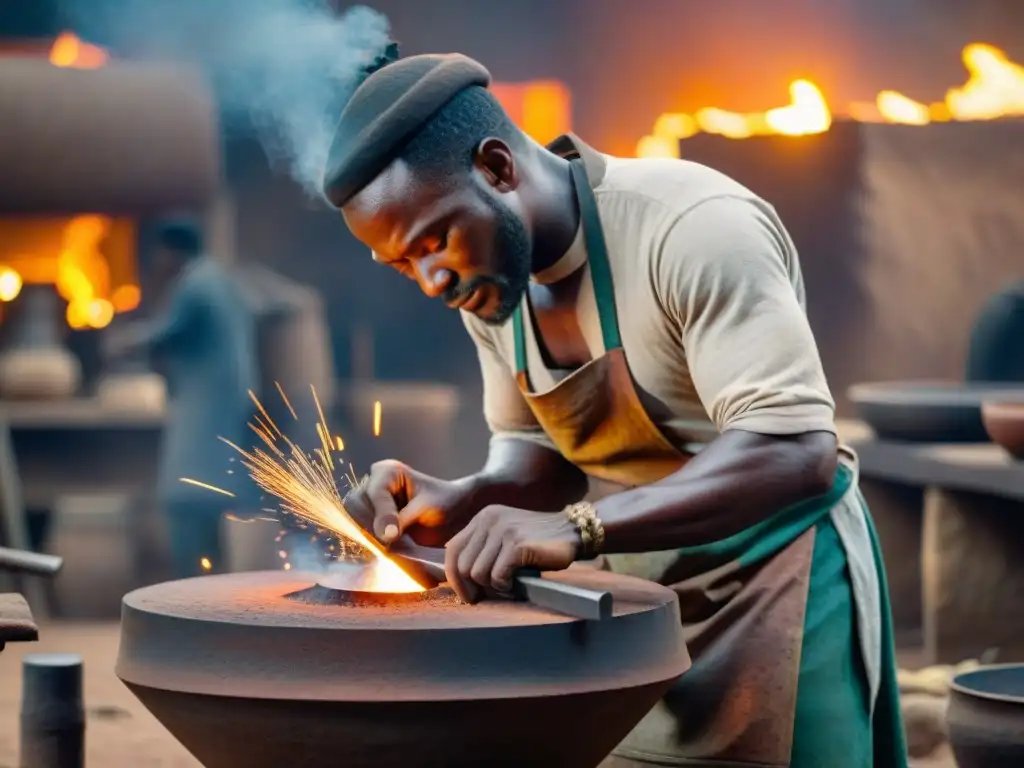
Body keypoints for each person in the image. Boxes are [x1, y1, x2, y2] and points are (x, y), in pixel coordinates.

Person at [326, 48, 908, 768]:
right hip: (641, 595)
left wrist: (579, 528)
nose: (431, 280)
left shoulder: (692, 226)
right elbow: (537, 460)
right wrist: (462, 498)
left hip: (780, 576)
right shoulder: (491, 285)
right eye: (404, 264)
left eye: (433, 241)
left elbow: (796, 451)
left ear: (498, 168)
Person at [105, 219, 258, 578]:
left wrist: (126, 341)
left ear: (171, 251)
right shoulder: (220, 279)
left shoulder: (197, 283)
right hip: (227, 396)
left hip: (206, 400)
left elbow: (169, 328)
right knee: (217, 483)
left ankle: (191, 580)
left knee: (186, 491)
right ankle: (215, 573)